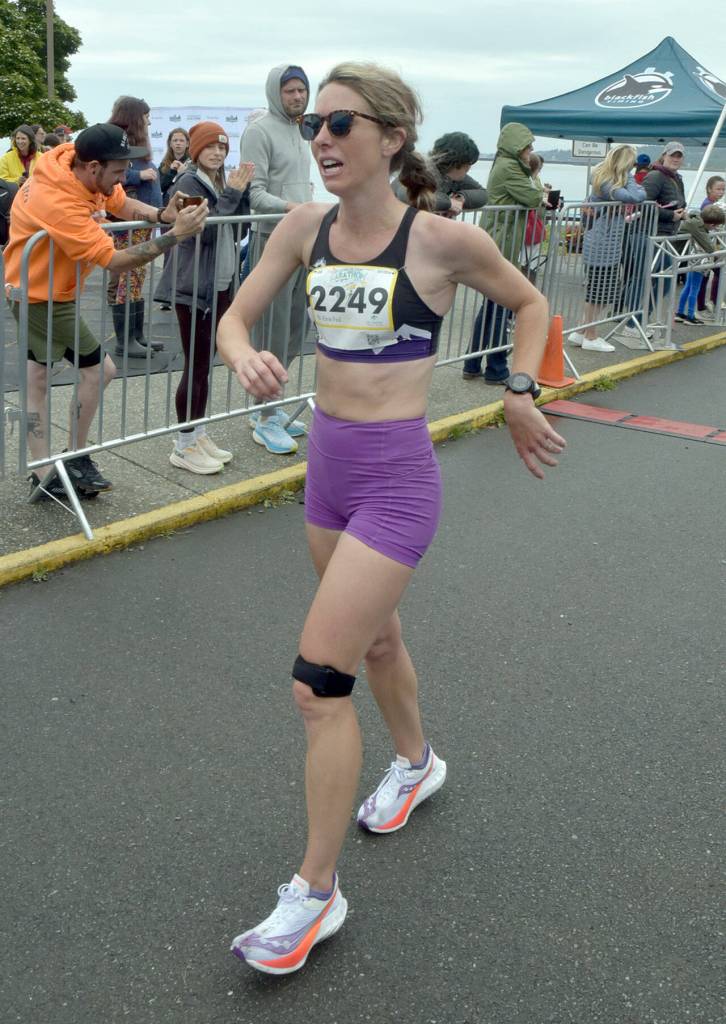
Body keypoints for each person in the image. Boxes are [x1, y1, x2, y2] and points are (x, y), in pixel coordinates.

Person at [217, 61, 565, 976]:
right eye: (317, 126)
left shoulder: (444, 241)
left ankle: (316, 892)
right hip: (325, 471)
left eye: (341, 124)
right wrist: (245, 350)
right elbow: (234, 318)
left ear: (392, 137)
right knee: (375, 643)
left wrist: (520, 391)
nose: (323, 139)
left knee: (315, 682)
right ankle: (417, 763)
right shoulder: (302, 227)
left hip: (396, 480)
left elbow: (530, 301)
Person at [3, 123, 208, 498]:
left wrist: (163, 214)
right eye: (116, 171)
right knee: (101, 371)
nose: (123, 178)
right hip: (38, 297)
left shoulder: (69, 161)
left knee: (36, 377)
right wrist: (175, 235)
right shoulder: (60, 201)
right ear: (93, 166)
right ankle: (72, 459)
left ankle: (45, 470)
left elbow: (119, 201)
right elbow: (115, 261)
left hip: (45, 291)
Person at [154, 122, 254, 474]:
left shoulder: (219, 183)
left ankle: (198, 433)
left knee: (204, 366)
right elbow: (204, 232)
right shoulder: (189, 183)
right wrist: (231, 195)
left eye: (223, 148)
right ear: (196, 150)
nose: (218, 153)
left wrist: (240, 194)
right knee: (195, 365)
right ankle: (183, 444)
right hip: (193, 288)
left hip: (220, 284)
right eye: (211, 147)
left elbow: (237, 228)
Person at [239, 63, 313, 454]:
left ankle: (270, 406)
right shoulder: (259, 130)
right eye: (290, 91)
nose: (298, 97)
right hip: (273, 243)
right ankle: (264, 417)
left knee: (295, 331)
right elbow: (256, 196)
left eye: (302, 90)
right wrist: (296, 210)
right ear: (275, 93)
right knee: (270, 332)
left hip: (302, 242)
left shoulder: (302, 130)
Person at [462, 122, 543, 383]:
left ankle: (473, 362)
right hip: (502, 240)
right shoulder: (510, 167)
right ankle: (496, 367)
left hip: (500, 238)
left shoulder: (506, 165)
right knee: (503, 304)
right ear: (517, 147)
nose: (530, 151)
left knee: (491, 305)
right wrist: (539, 189)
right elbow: (532, 198)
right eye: (528, 146)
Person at [569, 144, 646, 352]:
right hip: (601, 244)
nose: (632, 168)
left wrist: (629, 180)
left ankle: (581, 330)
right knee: (599, 291)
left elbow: (637, 193)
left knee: (605, 290)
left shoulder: (609, 179)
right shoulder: (605, 181)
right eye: (630, 164)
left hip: (608, 243)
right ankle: (591, 336)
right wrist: (631, 180)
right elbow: (635, 196)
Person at [106, 96, 164, 358]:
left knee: (137, 279)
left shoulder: (132, 142)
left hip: (143, 219)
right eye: (145, 116)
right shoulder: (117, 140)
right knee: (129, 280)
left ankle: (136, 336)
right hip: (131, 221)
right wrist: (139, 175)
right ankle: (125, 341)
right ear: (135, 117)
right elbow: (110, 171)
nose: (149, 121)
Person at [392, 130, 487, 216]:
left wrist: (461, 197)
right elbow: (407, 195)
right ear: (458, 163)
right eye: (469, 163)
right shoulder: (420, 170)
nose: (469, 167)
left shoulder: (454, 177)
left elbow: (483, 194)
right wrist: (448, 203)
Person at [674, 204, 726, 325]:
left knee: (688, 287)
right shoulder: (697, 227)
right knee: (695, 289)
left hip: (692, 259)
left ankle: (680, 312)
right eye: (716, 227)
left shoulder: (695, 219)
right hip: (699, 262)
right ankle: (690, 316)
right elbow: (709, 248)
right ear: (712, 224)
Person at [696, 176, 725, 315]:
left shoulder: (714, 204)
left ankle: (709, 302)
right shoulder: (708, 205)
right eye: (718, 189)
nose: (721, 192)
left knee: (714, 274)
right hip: (707, 245)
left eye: (723, 189)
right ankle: (706, 303)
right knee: (707, 275)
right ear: (709, 189)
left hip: (713, 245)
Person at [159, 128, 191, 203]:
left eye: (181, 140)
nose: (178, 143)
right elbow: (160, 187)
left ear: (187, 144)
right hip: (168, 204)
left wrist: (184, 173)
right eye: (175, 140)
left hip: (187, 202)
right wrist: (172, 172)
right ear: (170, 144)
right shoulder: (164, 164)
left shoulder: (193, 163)